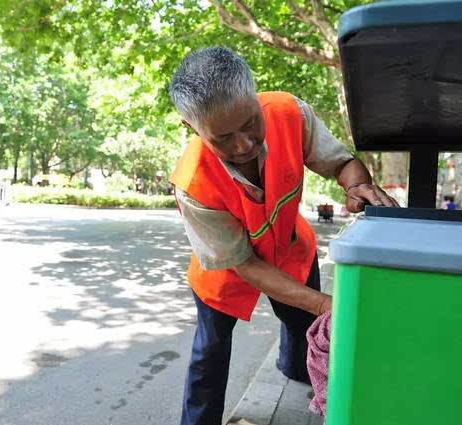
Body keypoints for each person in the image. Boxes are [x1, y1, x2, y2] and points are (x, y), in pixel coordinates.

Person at [168, 47, 399, 425]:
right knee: (209, 353)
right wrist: (326, 304)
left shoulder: (290, 113)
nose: (243, 145)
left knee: (302, 325)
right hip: (227, 270)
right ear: (192, 128)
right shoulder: (192, 183)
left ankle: (296, 369)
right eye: (223, 138)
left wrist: (357, 184)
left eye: (249, 123)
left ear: (255, 96)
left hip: (290, 249)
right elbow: (243, 263)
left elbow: (341, 162)